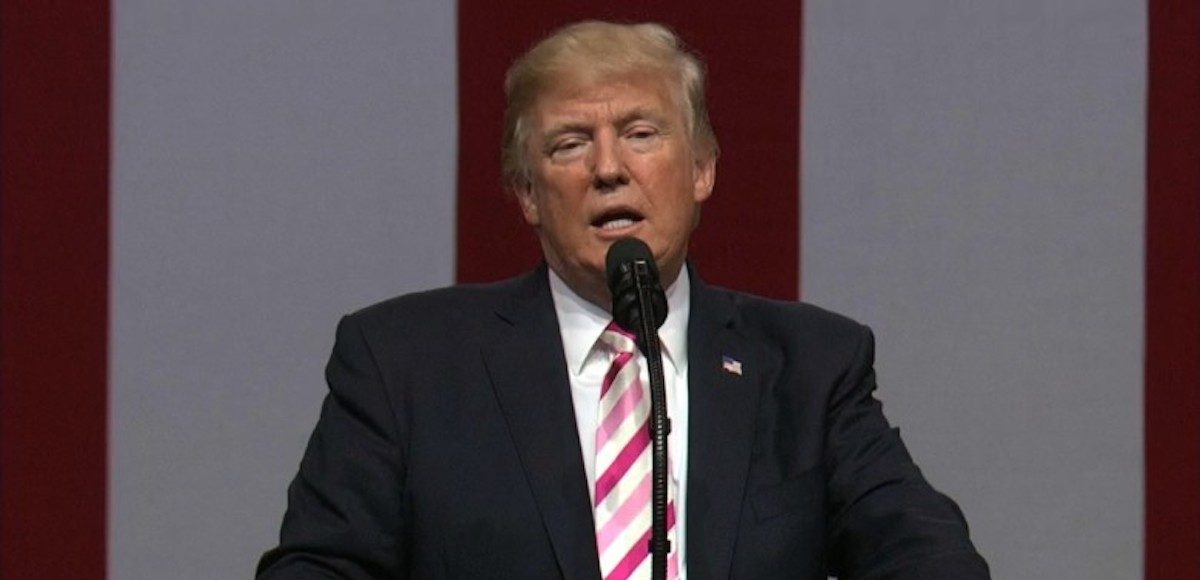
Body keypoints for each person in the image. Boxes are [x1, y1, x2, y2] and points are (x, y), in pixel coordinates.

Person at [258, 21, 989, 579]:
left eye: (640, 134)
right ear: (525, 194)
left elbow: (932, 561)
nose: (609, 168)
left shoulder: (809, 366)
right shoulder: (405, 364)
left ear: (701, 168)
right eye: (570, 144)